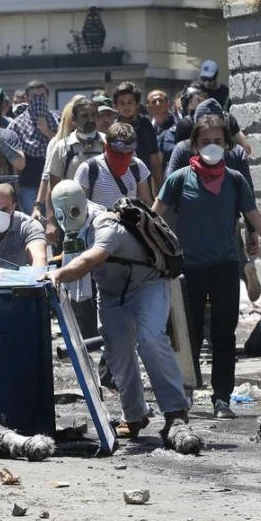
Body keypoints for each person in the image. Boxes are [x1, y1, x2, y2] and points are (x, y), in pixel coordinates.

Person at [44, 179, 191, 441]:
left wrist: (59, 275)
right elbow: (74, 258)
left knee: (150, 340)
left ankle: (175, 412)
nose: (69, 218)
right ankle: (134, 415)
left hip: (146, 285)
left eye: (73, 212)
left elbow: (90, 259)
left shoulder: (105, 224)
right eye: (62, 213)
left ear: (82, 205)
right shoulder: (74, 229)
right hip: (112, 294)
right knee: (117, 351)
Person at [154, 114, 261, 419]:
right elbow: (154, 217)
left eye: (218, 141)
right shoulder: (180, 178)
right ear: (195, 144)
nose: (212, 146)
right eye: (206, 141)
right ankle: (187, 392)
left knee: (224, 334)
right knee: (189, 334)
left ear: (226, 145)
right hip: (189, 269)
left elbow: (255, 218)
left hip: (225, 265)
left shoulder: (235, 181)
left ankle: (222, 397)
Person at [166, 100, 261, 301]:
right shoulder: (236, 151)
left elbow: (169, 184)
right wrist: (253, 232)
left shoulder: (184, 148)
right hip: (228, 220)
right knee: (229, 257)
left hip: (191, 225)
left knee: (196, 272)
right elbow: (248, 194)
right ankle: (242, 269)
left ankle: (204, 308)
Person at [36, 96, 103, 243]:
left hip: (103, 218)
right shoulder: (62, 147)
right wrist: (51, 221)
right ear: (74, 120)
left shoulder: (107, 144)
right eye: (84, 116)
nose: (90, 119)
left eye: (93, 115)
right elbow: (52, 189)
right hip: (72, 219)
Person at [8, 80, 60, 213]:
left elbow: (63, 146)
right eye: (34, 96)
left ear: (47, 97)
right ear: (27, 98)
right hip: (29, 185)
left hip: (55, 182)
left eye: (42, 96)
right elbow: (13, 156)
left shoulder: (57, 119)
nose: (38, 99)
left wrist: (47, 131)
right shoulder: (17, 124)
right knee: (33, 222)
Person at [74, 122, 152, 209]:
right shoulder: (88, 169)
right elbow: (77, 204)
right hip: (97, 221)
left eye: (128, 153)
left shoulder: (137, 166)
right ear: (107, 147)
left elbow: (146, 201)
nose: (123, 158)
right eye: (119, 153)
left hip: (128, 221)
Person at [113, 82, 161, 193]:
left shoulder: (146, 125)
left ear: (137, 104)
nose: (126, 107)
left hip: (145, 188)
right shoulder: (112, 130)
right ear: (116, 106)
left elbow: (154, 161)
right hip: (119, 189)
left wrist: (160, 189)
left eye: (130, 102)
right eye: (122, 103)